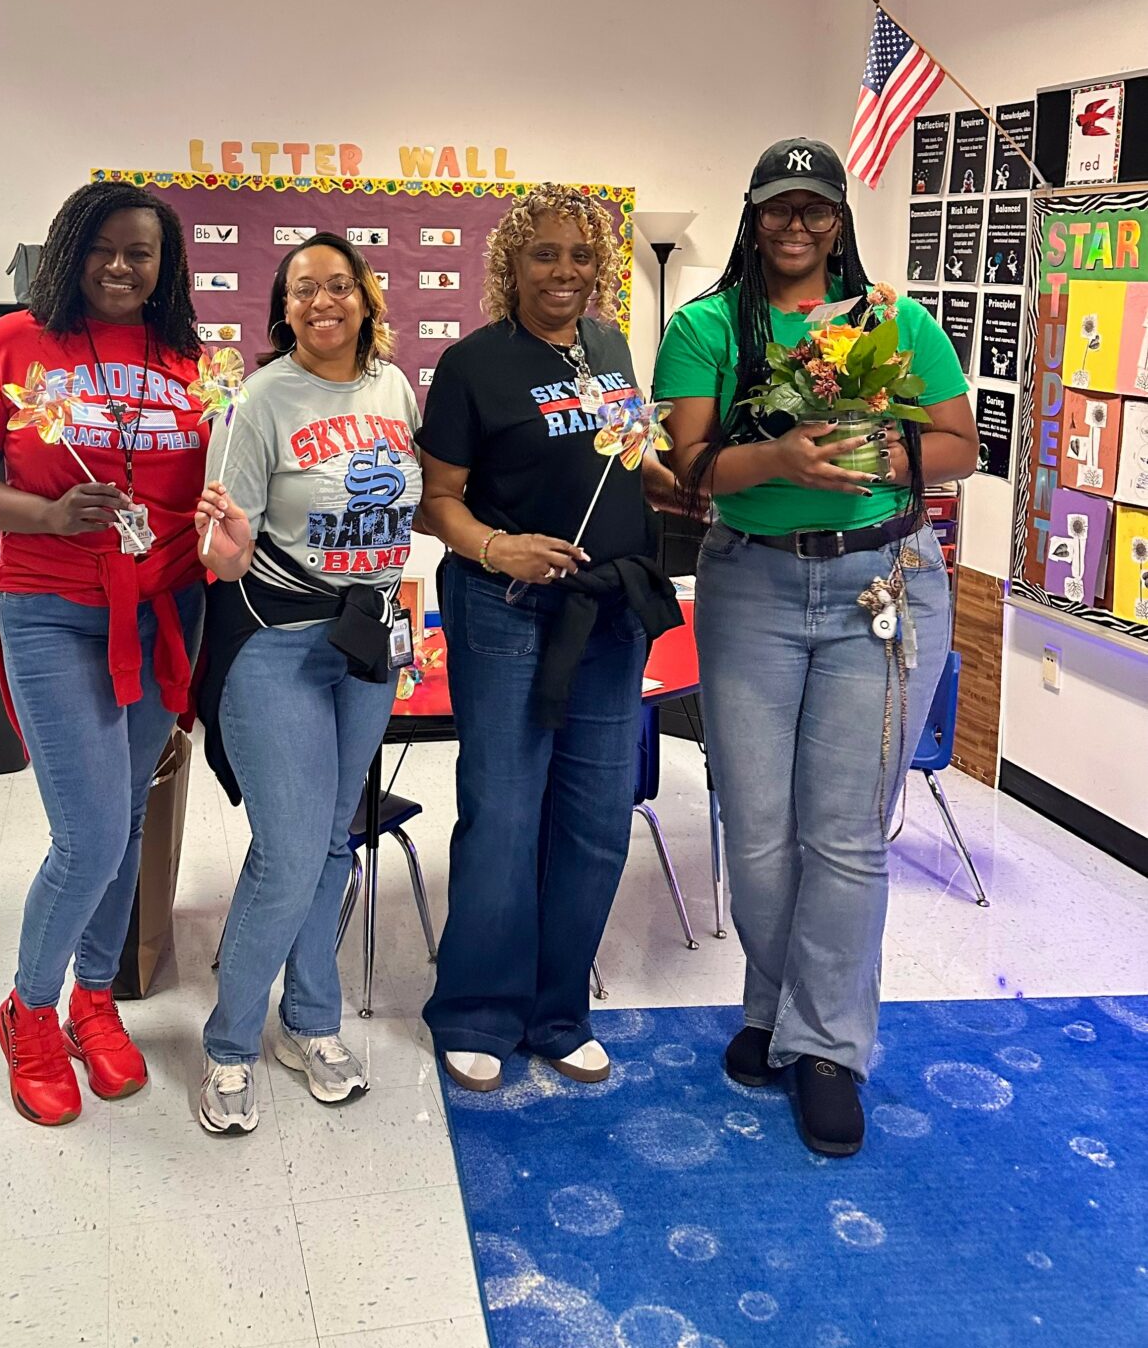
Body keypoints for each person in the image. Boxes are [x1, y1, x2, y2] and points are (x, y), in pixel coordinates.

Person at [654, 138, 978, 1157]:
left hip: (881, 583)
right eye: (778, 208)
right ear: (752, 217)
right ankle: (778, 1002)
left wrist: (889, 446)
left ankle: (826, 1046)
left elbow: (961, 445)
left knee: (843, 833)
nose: (798, 226)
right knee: (754, 830)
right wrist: (786, 455)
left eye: (817, 209)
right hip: (750, 582)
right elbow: (691, 466)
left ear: (840, 219)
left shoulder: (897, 323)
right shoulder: (705, 324)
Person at [0, 181, 207, 1127]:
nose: (122, 268)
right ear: (68, 252)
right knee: (87, 832)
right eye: (103, 249)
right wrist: (48, 515)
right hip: (51, 607)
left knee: (127, 818)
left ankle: (97, 994)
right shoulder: (14, 345)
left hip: (165, 608)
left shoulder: (189, 361)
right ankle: (31, 1009)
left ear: (164, 265)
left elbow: (221, 483)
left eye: (141, 252)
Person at [416, 185, 681, 1094]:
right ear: (512, 267)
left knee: (598, 820)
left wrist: (687, 477)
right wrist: (498, 548)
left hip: (609, 616)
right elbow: (435, 500)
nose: (564, 272)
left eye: (580, 256)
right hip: (505, 614)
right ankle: (477, 1010)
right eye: (544, 256)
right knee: (504, 815)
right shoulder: (473, 366)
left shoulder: (610, 348)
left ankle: (558, 1010)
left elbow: (627, 458)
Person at [193, 234, 421, 1136]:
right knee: (288, 853)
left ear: (365, 298)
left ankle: (310, 1023)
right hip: (277, 645)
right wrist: (227, 546)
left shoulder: (396, 389)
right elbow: (219, 551)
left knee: (332, 842)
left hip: (367, 646)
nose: (322, 301)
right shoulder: (261, 399)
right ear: (283, 310)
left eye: (338, 285)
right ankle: (228, 1044)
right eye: (302, 291)